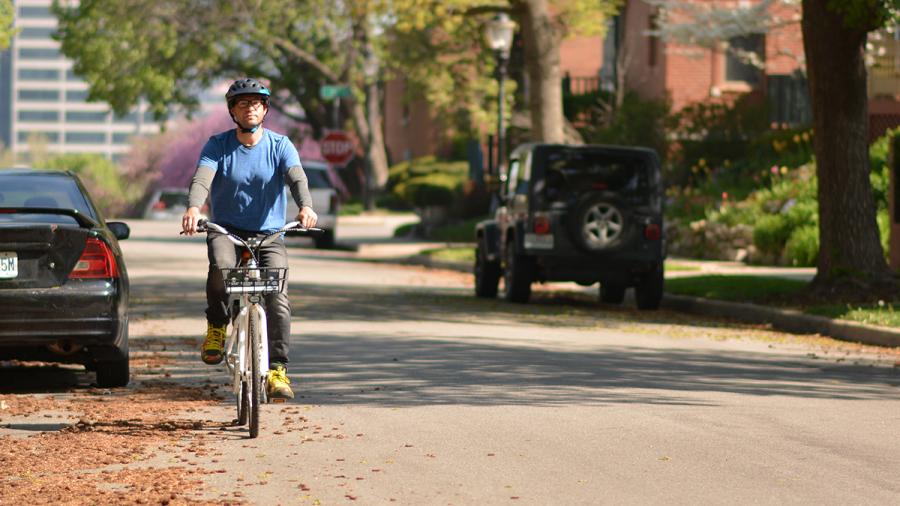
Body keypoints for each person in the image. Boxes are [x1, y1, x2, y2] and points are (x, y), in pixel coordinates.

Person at [181, 77, 317, 400]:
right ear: (232, 110)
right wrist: (193, 208)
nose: (250, 108)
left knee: (278, 297)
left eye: (256, 102)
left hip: (269, 235)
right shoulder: (218, 145)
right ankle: (217, 326)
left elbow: (296, 177)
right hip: (227, 230)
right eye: (243, 103)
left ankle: (278, 369)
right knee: (222, 269)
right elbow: (202, 178)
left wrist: (306, 207)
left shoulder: (280, 145)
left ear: (265, 109)